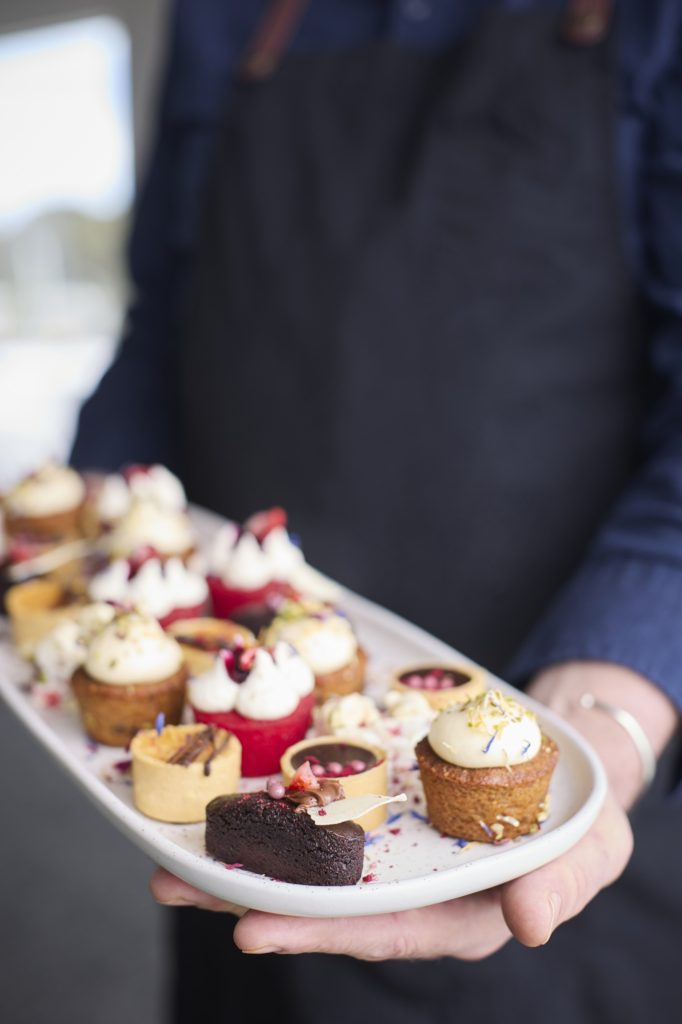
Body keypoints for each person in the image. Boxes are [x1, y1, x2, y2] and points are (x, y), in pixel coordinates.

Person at [72, 0, 681, 1020]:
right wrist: (94, 526)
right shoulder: (228, 17)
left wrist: (604, 717)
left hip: (560, 865)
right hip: (232, 842)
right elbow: (165, 320)